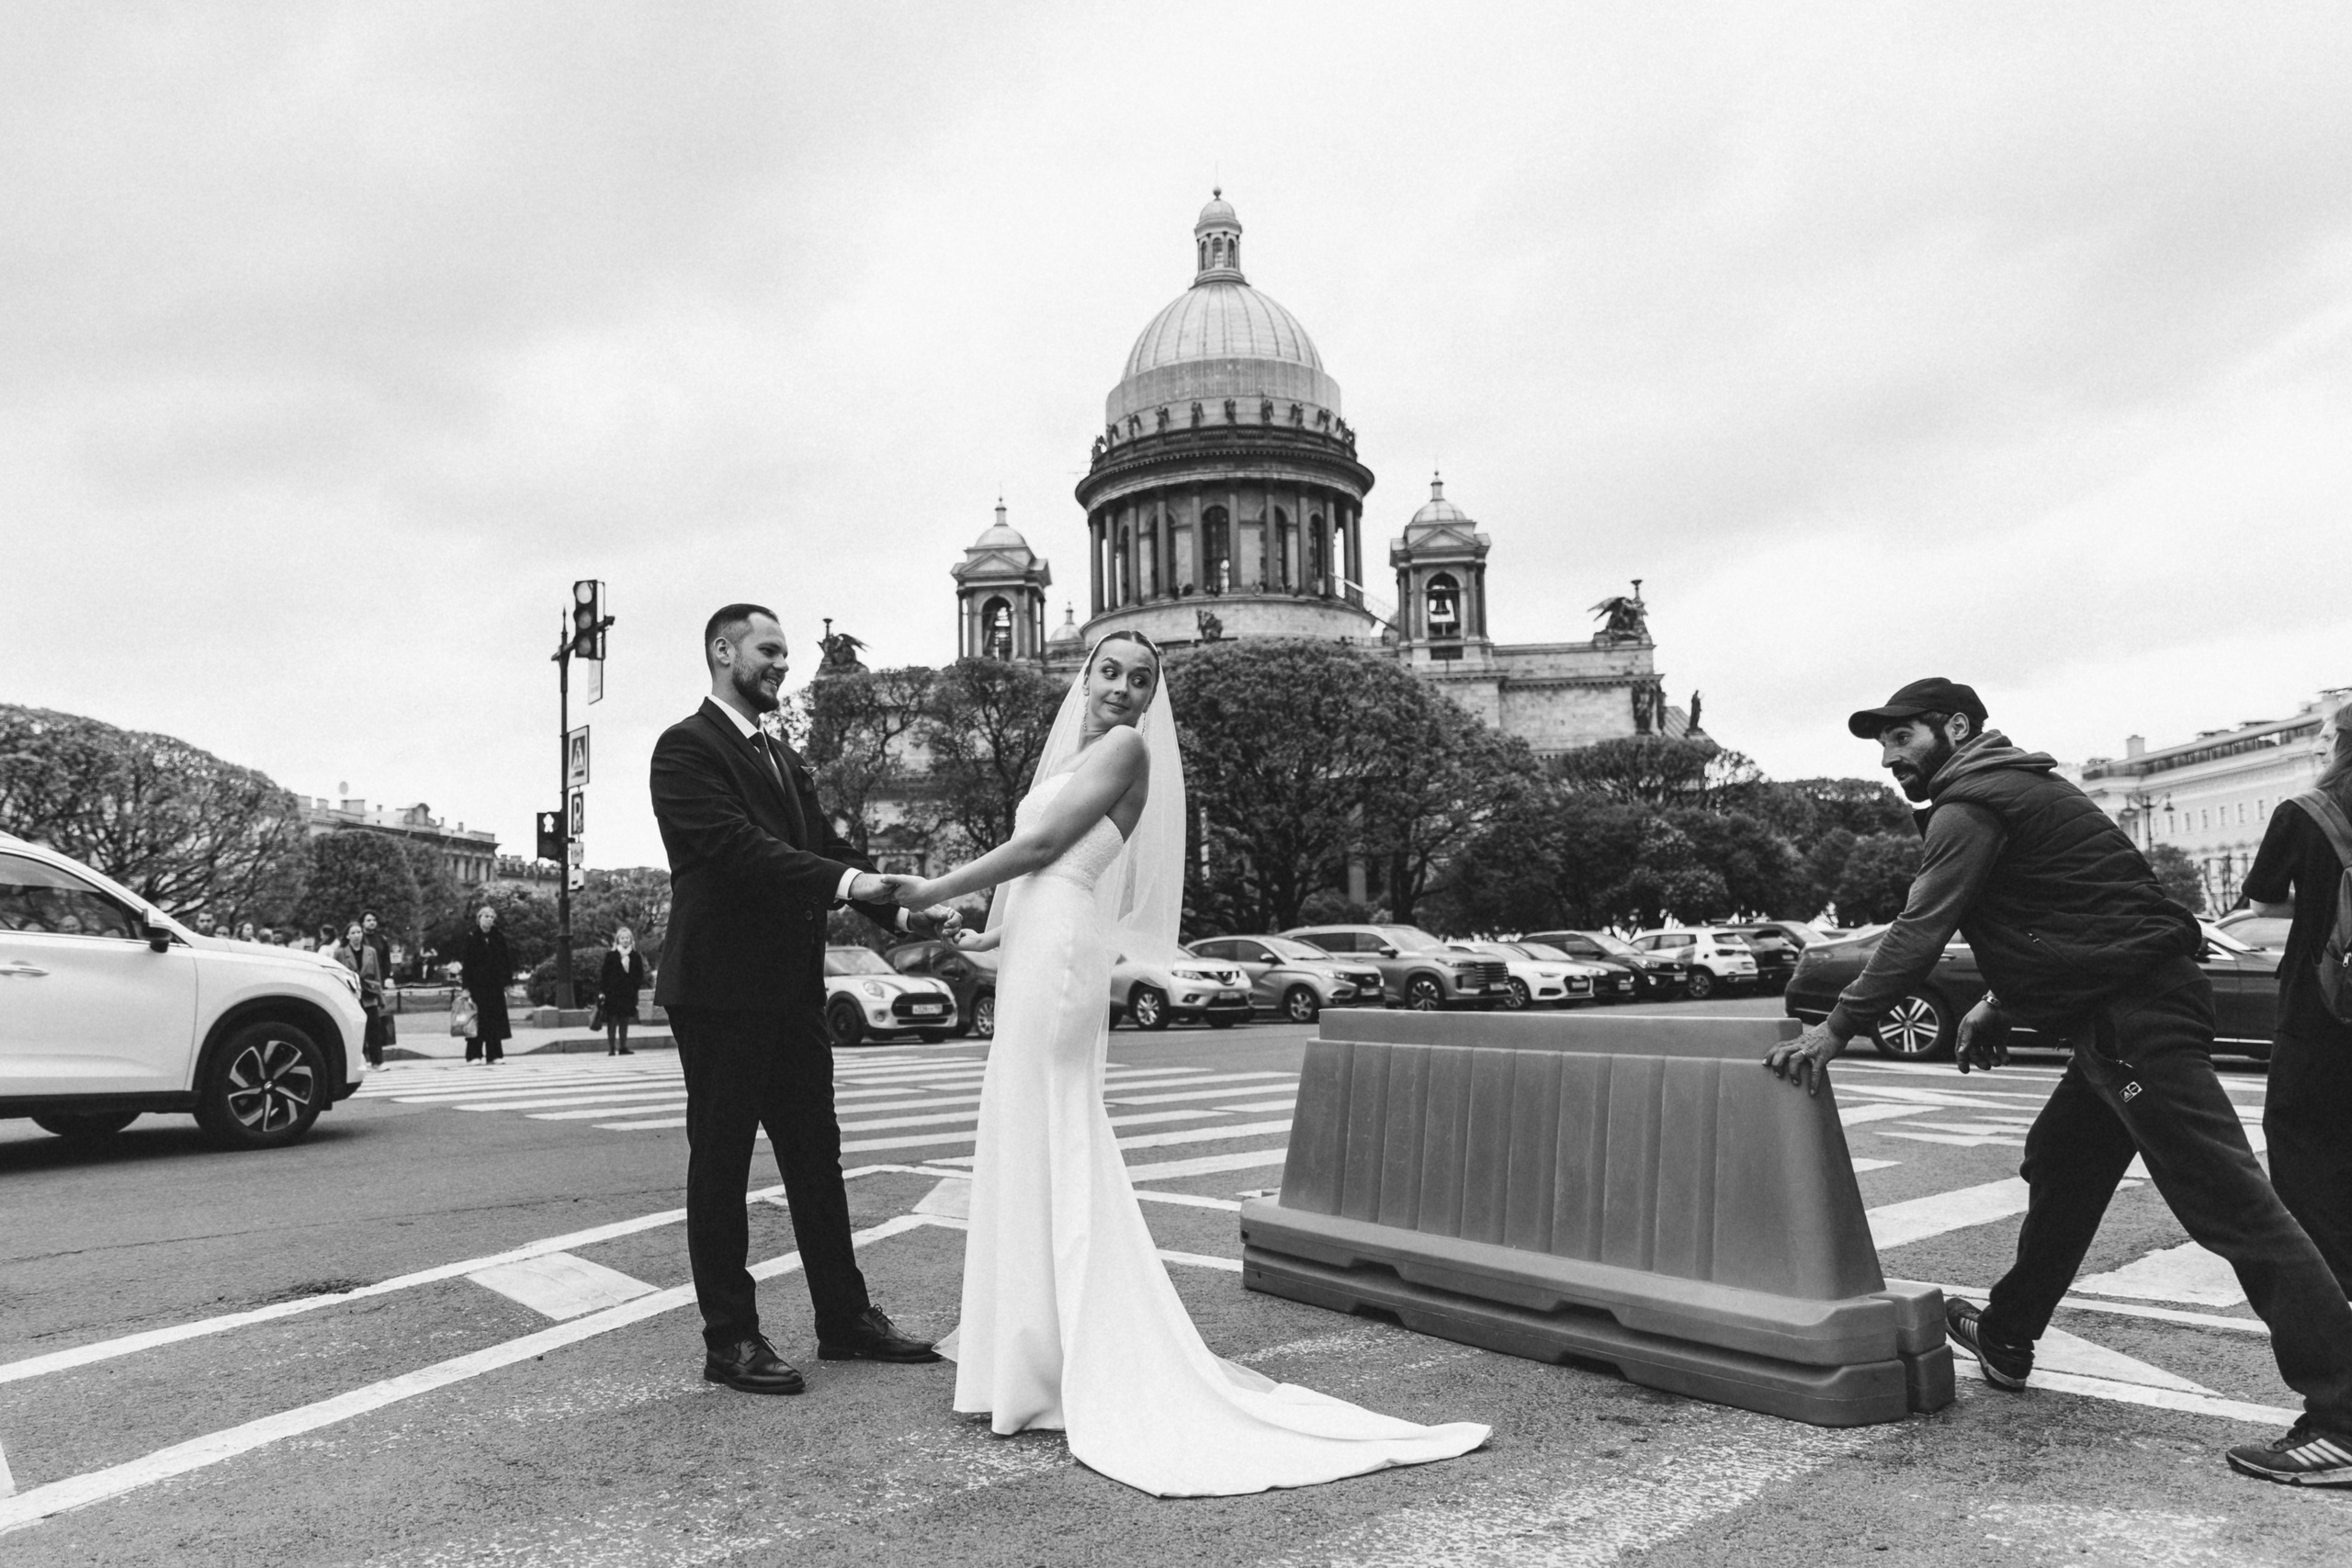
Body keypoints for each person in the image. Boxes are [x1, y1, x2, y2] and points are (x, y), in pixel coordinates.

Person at [890, 631, 1489, 1496]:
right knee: (1026, 1132)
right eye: (1110, 673)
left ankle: (1054, 1355)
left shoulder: (1126, 749)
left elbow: (1035, 853)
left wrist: (926, 888)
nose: (1124, 690)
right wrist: (979, 931)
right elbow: (1034, 878)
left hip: (1061, 952)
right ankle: (1028, 1352)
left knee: (1053, 1132)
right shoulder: (1078, 754)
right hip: (1039, 940)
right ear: (1083, 676)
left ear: (1149, 698)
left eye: (1141, 680)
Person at [1766, 678, 2352, 1488]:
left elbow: (1922, 925)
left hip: (2133, 1014)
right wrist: (2001, 1001)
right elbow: (2080, 910)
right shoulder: (2032, 787)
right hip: (2126, 1004)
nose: (1889, 757)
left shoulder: (1969, 805)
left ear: (1956, 727)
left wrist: (1838, 1025)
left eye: (1902, 738)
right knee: (2064, 1159)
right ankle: (2007, 1332)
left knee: (2232, 1206)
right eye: (1881, 744)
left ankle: (2344, 1417)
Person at [650, 603, 955, 1398]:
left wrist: (914, 904)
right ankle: (732, 1339)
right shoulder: (685, 748)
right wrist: (849, 883)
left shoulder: (784, 757)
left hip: (790, 993)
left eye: (784, 651)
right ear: (723, 650)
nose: (783, 663)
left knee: (817, 1159)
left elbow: (825, 851)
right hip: (719, 992)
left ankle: (843, 1319)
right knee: (720, 1165)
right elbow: (738, 850)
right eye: (769, 649)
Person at [2241, 720, 2352, 1295]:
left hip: (2320, 999)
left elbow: (2262, 900)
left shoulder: (2305, 812)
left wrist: (2320, 898)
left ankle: (2331, 1276)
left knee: (2301, 1134)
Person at [458, 904, 513, 1066]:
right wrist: (466, 988)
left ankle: (494, 1054)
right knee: (476, 1019)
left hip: (495, 986)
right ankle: (474, 1055)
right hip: (477, 986)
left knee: (494, 1020)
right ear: (479, 918)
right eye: (486, 916)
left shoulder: (498, 937)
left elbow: (505, 961)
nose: (489, 919)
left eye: (492, 917)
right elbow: (467, 964)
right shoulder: (472, 937)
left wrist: (507, 983)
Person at [336, 920, 388, 1068]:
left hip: (369, 994)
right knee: (355, 1031)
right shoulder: (340, 953)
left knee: (374, 1029)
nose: (356, 935)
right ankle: (358, 1062)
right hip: (351, 996)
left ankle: (377, 1061)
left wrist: (380, 997)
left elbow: (377, 975)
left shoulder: (370, 951)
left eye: (358, 932)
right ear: (347, 936)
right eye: (353, 933)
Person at [599, 926, 649, 1055]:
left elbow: (639, 975)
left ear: (631, 940)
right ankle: (611, 1047)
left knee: (624, 1021)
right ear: (618, 940)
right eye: (622, 938)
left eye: (627, 938)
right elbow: (604, 974)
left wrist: (633, 987)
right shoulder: (611, 956)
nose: (625, 940)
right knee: (612, 1021)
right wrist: (603, 991)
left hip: (627, 994)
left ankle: (623, 1047)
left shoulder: (635, 956)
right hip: (612, 994)